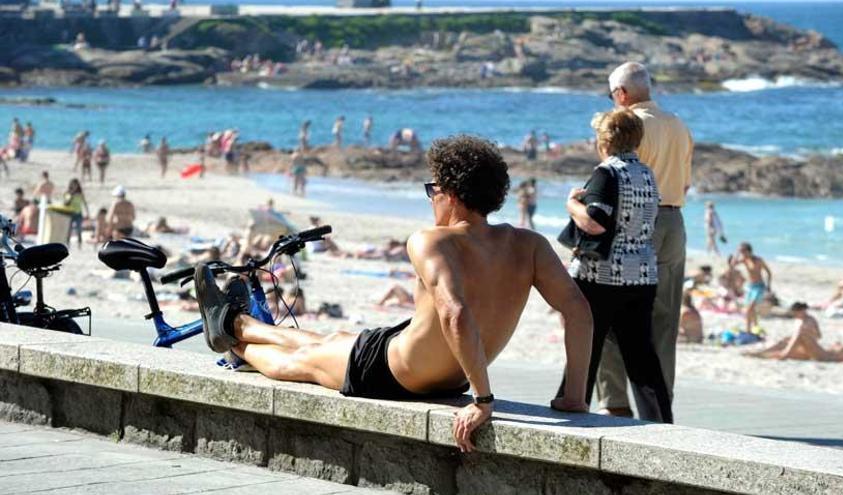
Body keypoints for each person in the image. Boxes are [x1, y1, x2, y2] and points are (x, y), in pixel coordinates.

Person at [192, 135, 594, 452]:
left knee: (299, 364)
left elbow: (455, 312)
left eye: (431, 189)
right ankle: (238, 320)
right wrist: (575, 394)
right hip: (445, 373)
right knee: (327, 340)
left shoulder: (433, 241)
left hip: (394, 372)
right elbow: (578, 310)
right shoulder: (529, 244)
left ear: (450, 194)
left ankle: (229, 329)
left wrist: (484, 400)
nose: (431, 198)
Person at [557, 108, 671, 423]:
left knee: (586, 345)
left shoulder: (606, 173)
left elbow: (595, 223)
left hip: (601, 276)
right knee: (642, 358)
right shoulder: (647, 173)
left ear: (604, 140)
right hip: (642, 275)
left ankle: (571, 402)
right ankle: (661, 421)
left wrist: (571, 204)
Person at [595, 61, 693, 418]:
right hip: (674, 222)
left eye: (611, 96)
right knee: (664, 321)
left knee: (609, 309)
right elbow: (685, 183)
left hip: (640, 221)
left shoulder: (632, 126)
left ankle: (615, 402)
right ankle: (659, 404)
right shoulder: (678, 124)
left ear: (621, 94)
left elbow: (620, 177)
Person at [747, 302, 843, 363]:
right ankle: (760, 354)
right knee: (785, 341)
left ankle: (782, 354)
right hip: (809, 348)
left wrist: (808, 334)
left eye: (797, 312)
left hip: (817, 351)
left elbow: (818, 336)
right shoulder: (798, 320)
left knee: (798, 336)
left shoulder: (810, 320)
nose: (795, 314)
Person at [731, 242, 772, 334]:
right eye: (741, 252)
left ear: (749, 251)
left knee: (749, 308)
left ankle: (748, 330)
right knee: (751, 309)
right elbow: (732, 264)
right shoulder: (744, 260)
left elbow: (769, 272)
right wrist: (736, 252)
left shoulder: (758, 260)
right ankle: (756, 326)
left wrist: (769, 285)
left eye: (744, 252)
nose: (743, 254)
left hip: (759, 286)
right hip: (750, 287)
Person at [63, 179, 90, 249]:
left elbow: (85, 203)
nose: (75, 186)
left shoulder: (80, 194)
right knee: (68, 231)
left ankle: (79, 246)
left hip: (78, 213)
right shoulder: (67, 193)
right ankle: (67, 246)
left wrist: (87, 213)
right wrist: (71, 196)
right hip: (70, 213)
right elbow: (65, 203)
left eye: (76, 185)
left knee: (79, 230)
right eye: (74, 185)